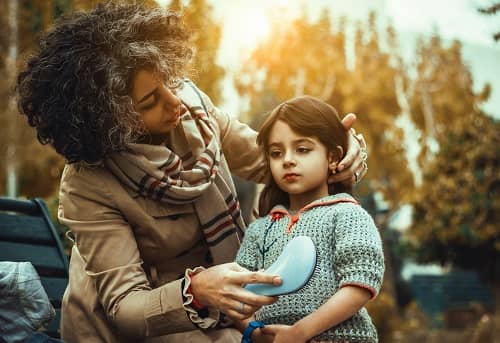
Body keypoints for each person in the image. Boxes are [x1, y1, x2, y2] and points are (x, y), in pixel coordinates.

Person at [16, 3, 368, 342]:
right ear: (109, 121)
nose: (175, 102)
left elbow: (275, 164)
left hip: (221, 312)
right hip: (137, 326)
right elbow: (126, 307)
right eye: (150, 101)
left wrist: (340, 150)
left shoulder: (195, 112)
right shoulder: (88, 185)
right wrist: (196, 290)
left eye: (168, 80)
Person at [235, 96, 384, 343]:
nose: (288, 160)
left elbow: (361, 283)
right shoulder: (259, 229)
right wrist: (254, 332)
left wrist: (300, 332)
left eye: (302, 149)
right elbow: (237, 294)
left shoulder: (348, 215)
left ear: (333, 157)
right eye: (276, 153)